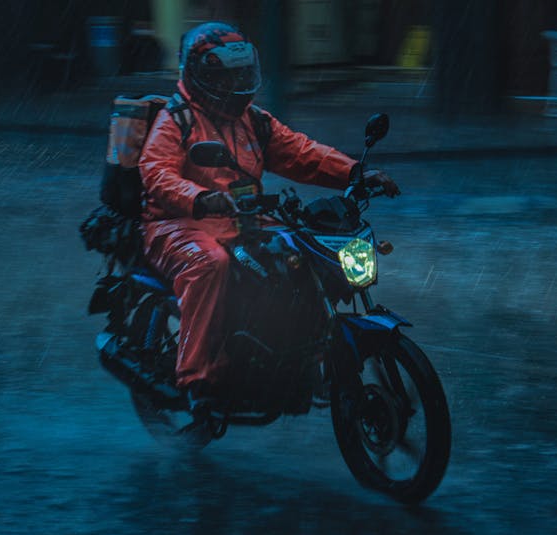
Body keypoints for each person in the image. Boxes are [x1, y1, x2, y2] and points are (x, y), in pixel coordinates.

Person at [138, 21, 399, 422]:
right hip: (176, 224)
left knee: (303, 254)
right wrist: (201, 198)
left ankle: (289, 353)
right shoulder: (176, 120)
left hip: (243, 217)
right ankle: (197, 380)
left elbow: (300, 153)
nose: (237, 82)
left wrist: (354, 173)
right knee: (211, 264)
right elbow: (156, 173)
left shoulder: (253, 121)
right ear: (203, 76)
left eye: (242, 73)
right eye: (227, 75)